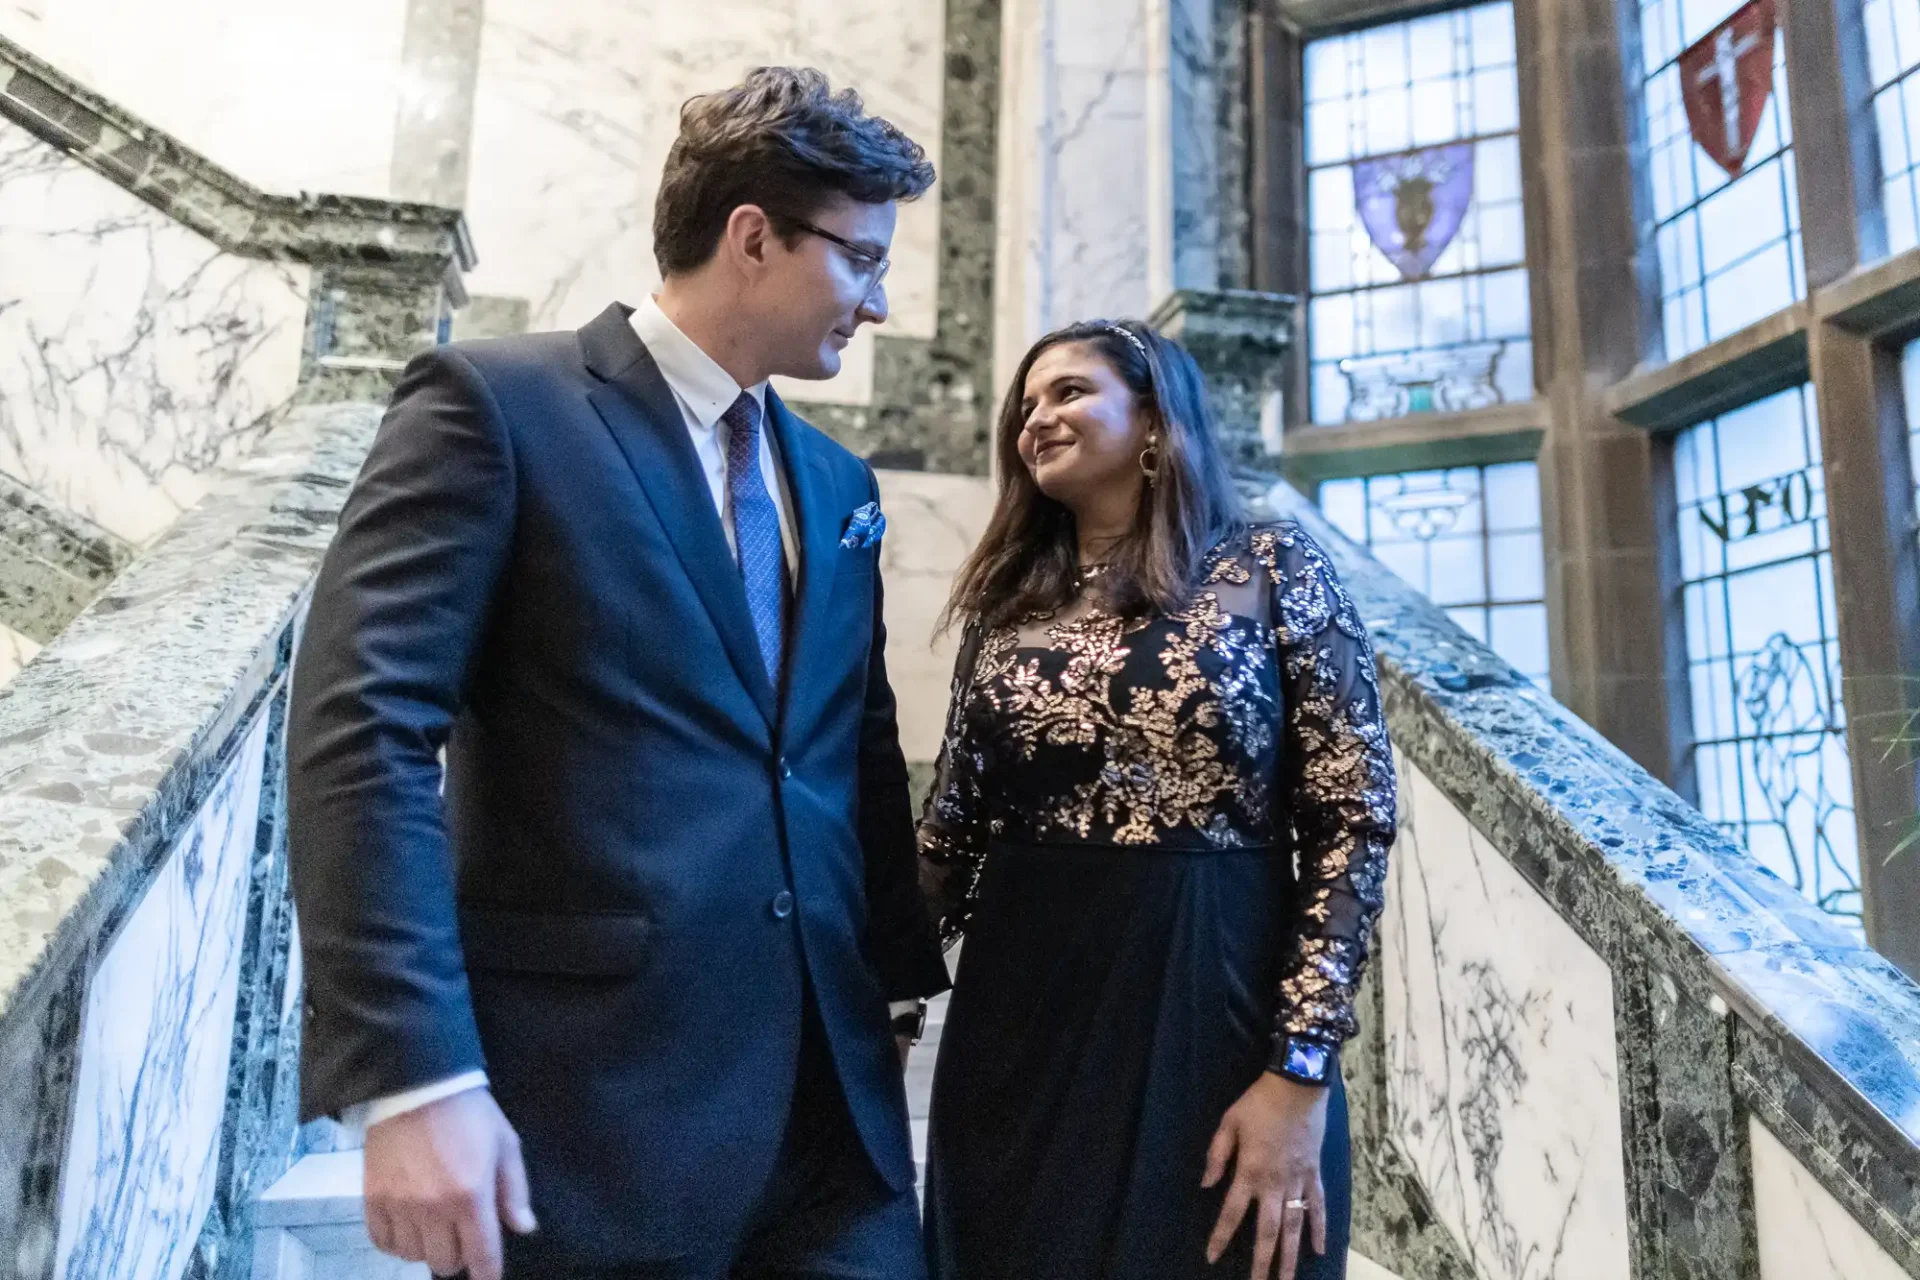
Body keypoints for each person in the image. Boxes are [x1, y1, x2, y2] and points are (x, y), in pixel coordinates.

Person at [286, 67, 951, 1280]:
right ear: (753, 237)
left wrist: (894, 985)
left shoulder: (837, 484)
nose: (883, 299)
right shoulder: (498, 406)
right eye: (861, 257)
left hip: (832, 1123)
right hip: (592, 1113)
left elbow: (847, 742)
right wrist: (414, 1069)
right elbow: (363, 728)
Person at [916, 320, 1397, 1280]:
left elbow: (1352, 815)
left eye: (1067, 393)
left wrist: (1299, 1074)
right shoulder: (1010, 597)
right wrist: (875, 1005)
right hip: (1018, 1026)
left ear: (1153, 418)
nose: (1034, 419)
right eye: (1025, 406)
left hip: (1215, 1007)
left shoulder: (1268, 566)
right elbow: (954, 827)